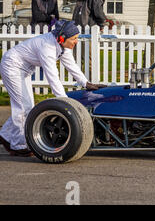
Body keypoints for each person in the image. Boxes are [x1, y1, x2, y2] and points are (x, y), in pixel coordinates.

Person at [0, 20, 105, 156]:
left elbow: (71, 65)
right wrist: (65, 103)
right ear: (62, 38)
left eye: (77, 38)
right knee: (23, 106)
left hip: (23, 69)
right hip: (12, 67)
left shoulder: (62, 45)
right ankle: (17, 146)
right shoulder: (47, 47)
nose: (76, 42)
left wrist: (85, 83)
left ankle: (5, 136)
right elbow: (52, 77)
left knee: (26, 106)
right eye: (74, 39)